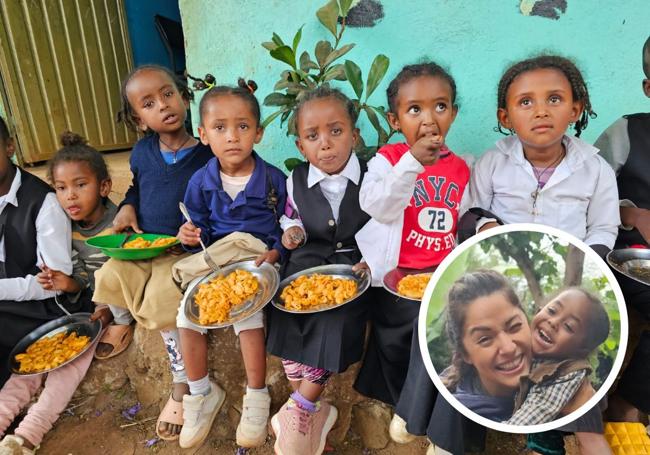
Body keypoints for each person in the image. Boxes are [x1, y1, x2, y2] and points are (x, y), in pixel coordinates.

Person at [433, 54, 619, 455]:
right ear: (506, 116)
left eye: (554, 99)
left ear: (576, 108)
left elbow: (605, 226)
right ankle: (453, 440)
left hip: (576, 280)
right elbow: (469, 214)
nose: (541, 111)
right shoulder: (493, 162)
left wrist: (591, 261)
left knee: (570, 359)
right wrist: (485, 228)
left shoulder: (594, 168)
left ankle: (557, 436)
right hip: (498, 272)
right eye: (525, 102)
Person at [353, 62, 470, 452]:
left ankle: (438, 429)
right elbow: (378, 206)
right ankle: (402, 406)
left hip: (442, 277)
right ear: (395, 118)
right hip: (397, 277)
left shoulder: (463, 166)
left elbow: (465, 220)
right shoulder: (387, 160)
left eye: (440, 106)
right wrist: (413, 162)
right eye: (414, 109)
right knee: (393, 345)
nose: (429, 118)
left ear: (453, 113)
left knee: (444, 343)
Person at [92, 64, 213, 441]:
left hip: (180, 253)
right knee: (107, 274)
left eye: (168, 94)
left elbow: (217, 208)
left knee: (163, 297)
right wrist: (127, 207)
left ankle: (181, 382)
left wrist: (195, 233)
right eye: (148, 103)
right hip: (144, 248)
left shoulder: (207, 155)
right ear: (139, 120)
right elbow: (136, 190)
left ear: (183, 97)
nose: (163, 105)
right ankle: (123, 319)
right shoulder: (143, 152)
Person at [174, 79, 286, 449]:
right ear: (203, 134)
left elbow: (289, 224)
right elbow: (198, 226)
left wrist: (277, 253)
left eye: (242, 126)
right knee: (188, 314)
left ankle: (256, 397)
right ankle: (200, 393)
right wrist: (189, 234)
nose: (232, 137)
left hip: (256, 262)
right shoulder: (201, 181)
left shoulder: (272, 179)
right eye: (220, 128)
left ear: (259, 132)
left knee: (247, 312)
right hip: (218, 262)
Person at [266, 86, 370, 455]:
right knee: (284, 312)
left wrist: (374, 259)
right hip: (307, 263)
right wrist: (291, 234)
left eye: (336, 131)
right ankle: (312, 410)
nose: (325, 144)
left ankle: (300, 408)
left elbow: (385, 222)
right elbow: (290, 218)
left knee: (334, 320)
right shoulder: (295, 180)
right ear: (300, 146)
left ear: (354, 136)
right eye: (313, 136)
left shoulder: (373, 176)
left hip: (352, 266)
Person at [0, 131, 118, 453]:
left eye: (81, 185)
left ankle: (28, 434)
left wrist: (109, 309)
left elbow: (125, 272)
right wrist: (70, 282)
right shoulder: (71, 224)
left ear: (104, 187)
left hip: (96, 309)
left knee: (69, 363)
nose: (70, 197)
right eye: (62, 188)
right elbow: (75, 275)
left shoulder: (118, 224)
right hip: (77, 300)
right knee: (29, 366)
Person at [594, 35, 650, 425]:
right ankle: (627, 405)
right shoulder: (626, 133)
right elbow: (583, 194)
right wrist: (631, 214)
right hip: (630, 259)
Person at [506, 288, 610, 426]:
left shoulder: (568, 374)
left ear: (581, 350)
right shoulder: (517, 339)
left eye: (568, 326)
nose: (553, 322)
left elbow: (528, 419)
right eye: (552, 311)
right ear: (539, 311)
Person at [441, 270, 532, 422]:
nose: (508, 348)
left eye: (515, 326)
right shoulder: (454, 415)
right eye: (485, 339)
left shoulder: (559, 379)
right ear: (465, 354)